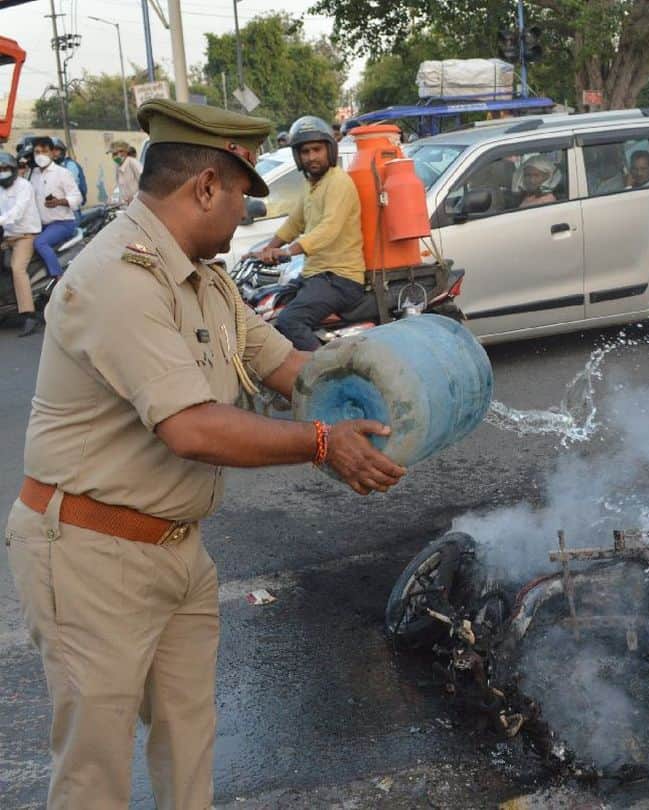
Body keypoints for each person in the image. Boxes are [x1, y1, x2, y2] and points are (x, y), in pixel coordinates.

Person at [6, 99, 405, 810]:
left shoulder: (205, 278)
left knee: (188, 747)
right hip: (89, 553)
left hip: (176, 551)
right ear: (207, 188)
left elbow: (288, 366)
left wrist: (380, 388)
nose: (242, 215)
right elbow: (191, 428)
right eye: (244, 196)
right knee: (93, 774)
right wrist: (322, 444)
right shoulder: (117, 279)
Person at [252, 115, 366, 351]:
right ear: (298, 156)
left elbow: (328, 229)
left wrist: (287, 252)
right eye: (305, 151)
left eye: (317, 149)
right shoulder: (311, 184)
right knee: (267, 306)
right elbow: (294, 223)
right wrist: (266, 250)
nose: (312, 156)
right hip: (315, 275)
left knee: (290, 320)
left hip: (341, 279)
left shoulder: (339, 183)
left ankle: (322, 378)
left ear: (329, 150)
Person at [0, 150, 43, 336]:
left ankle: (29, 315)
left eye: (5, 168)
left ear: (14, 169)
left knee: (17, 268)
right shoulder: (1, 188)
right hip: (7, 237)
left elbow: (17, 211)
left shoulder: (24, 186)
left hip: (25, 236)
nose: (2, 172)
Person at [29, 135, 82, 278]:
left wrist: (59, 201)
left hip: (63, 223)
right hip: (41, 225)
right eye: (37, 152)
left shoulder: (63, 173)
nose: (40, 155)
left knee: (40, 243)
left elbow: (78, 198)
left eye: (44, 151)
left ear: (53, 153)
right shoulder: (33, 174)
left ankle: (59, 278)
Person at [51, 136, 88, 209]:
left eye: (56, 150)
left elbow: (71, 187)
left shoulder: (70, 165)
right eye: (52, 150)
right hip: (58, 206)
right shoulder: (53, 167)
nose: (54, 153)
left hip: (72, 208)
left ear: (62, 151)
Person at [110, 139, 144, 207]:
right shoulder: (118, 167)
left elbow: (144, 182)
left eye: (115, 154)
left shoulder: (133, 163)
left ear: (124, 152)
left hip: (138, 203)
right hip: (127, 205)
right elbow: (120, 185)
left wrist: (135, 198)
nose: (114, 157)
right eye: (113, 154)